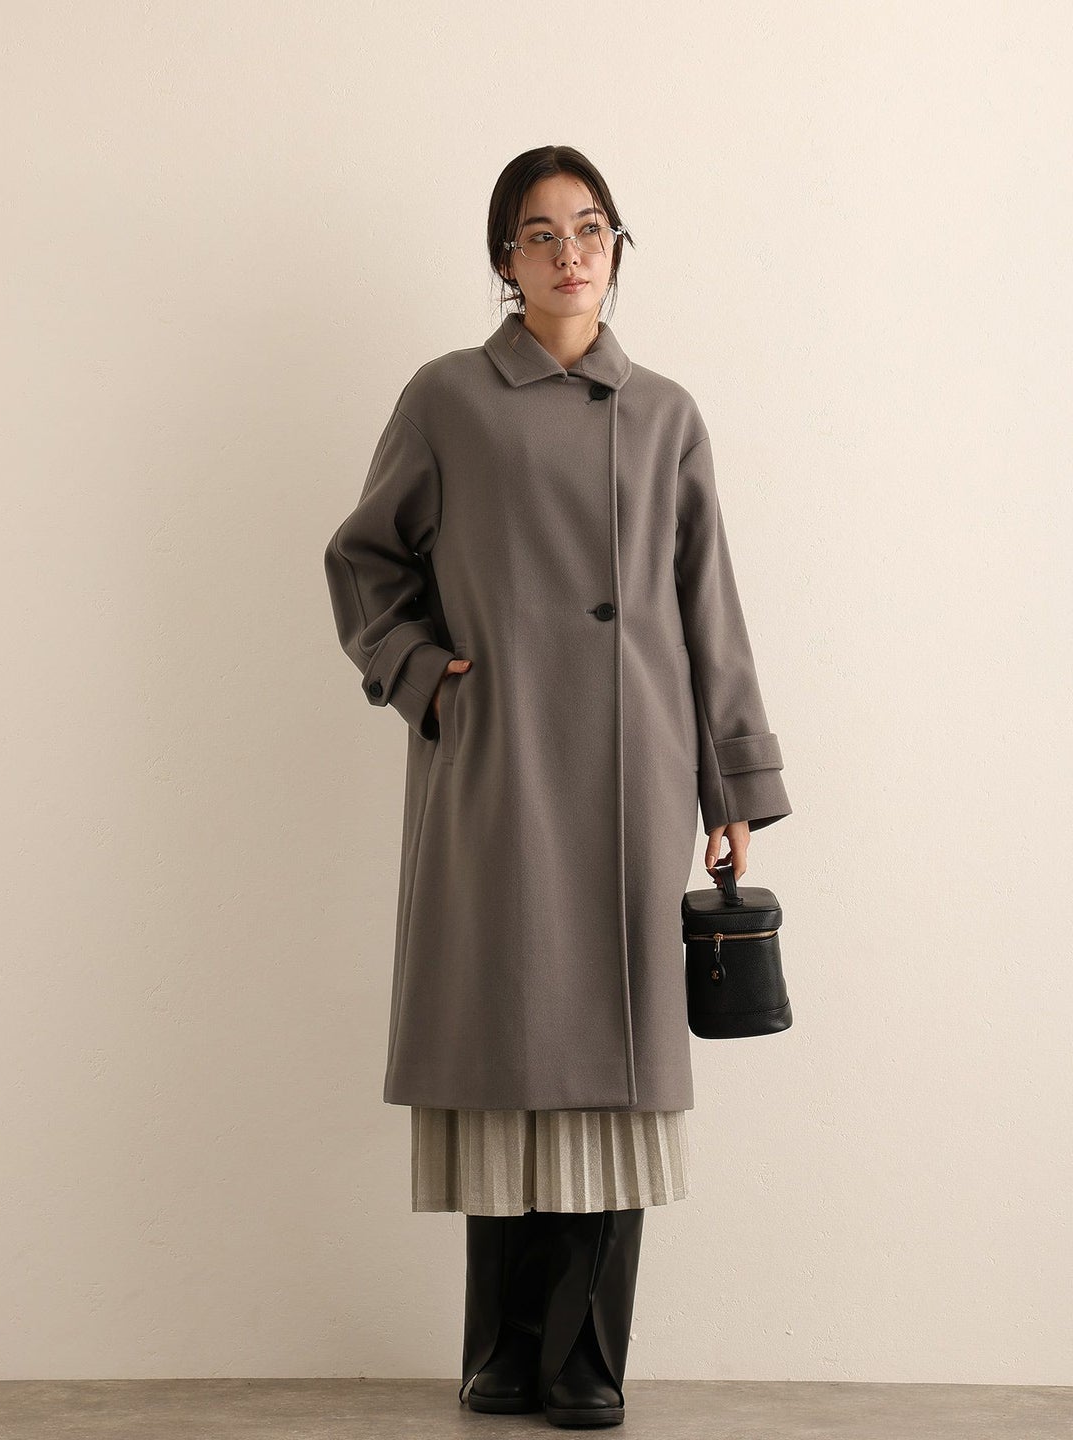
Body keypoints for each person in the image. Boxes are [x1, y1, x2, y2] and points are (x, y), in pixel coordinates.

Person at [323, 145, 792, 1428]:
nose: (571, 252)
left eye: (592, 228)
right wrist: (427, 680)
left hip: (635, 776)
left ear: (616, 247)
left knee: (617, 1066)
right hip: (499, 767)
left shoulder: (667, 414)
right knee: (506, 1048)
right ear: (505, 260)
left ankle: (587, 1358)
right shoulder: (448, 399)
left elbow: (708, 608)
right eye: (542, 234)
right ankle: (502, 1345)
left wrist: (731, 781)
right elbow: (364, 561)